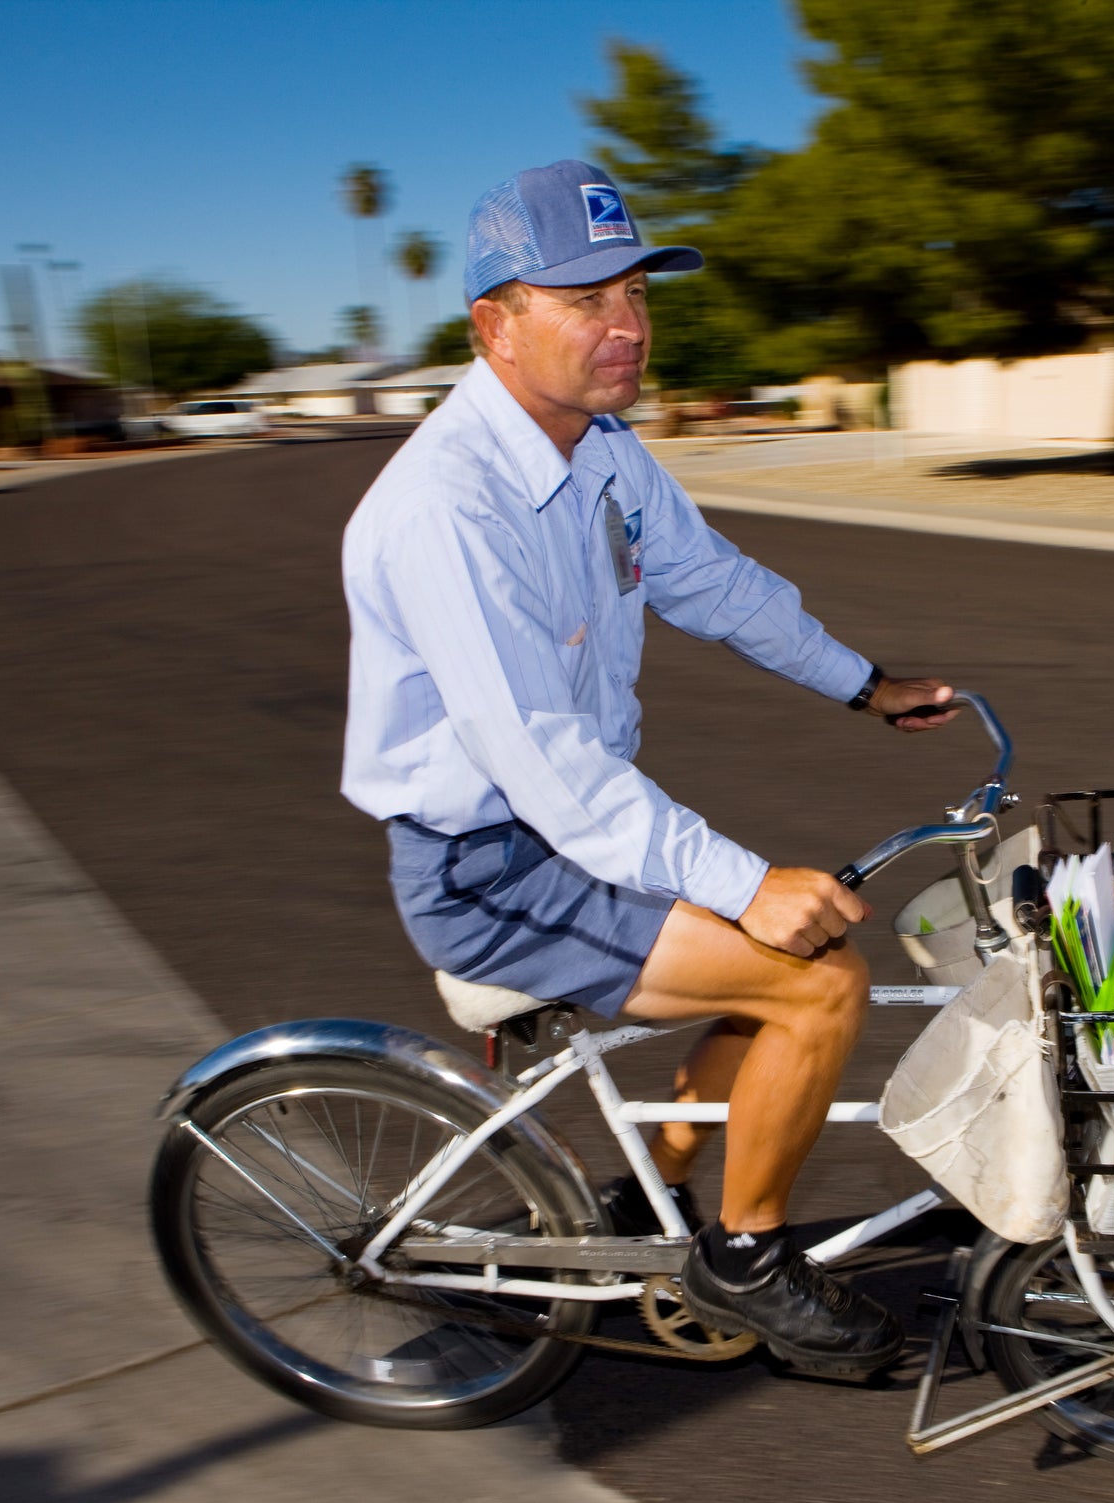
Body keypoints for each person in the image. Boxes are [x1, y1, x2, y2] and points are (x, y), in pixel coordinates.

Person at [341, 159, 955, 1377]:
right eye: (583, 299)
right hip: (489, 866)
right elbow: (543, 760)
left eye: (633, 290)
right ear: (493, 324)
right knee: (815, 977)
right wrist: (739, 883)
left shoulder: (604, 449)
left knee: (784, 959)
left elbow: (711, 581)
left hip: (565, 837)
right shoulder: (444, 509)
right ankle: (747, 1257)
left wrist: (861, 682)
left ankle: (647, 1206)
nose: (626, 325)